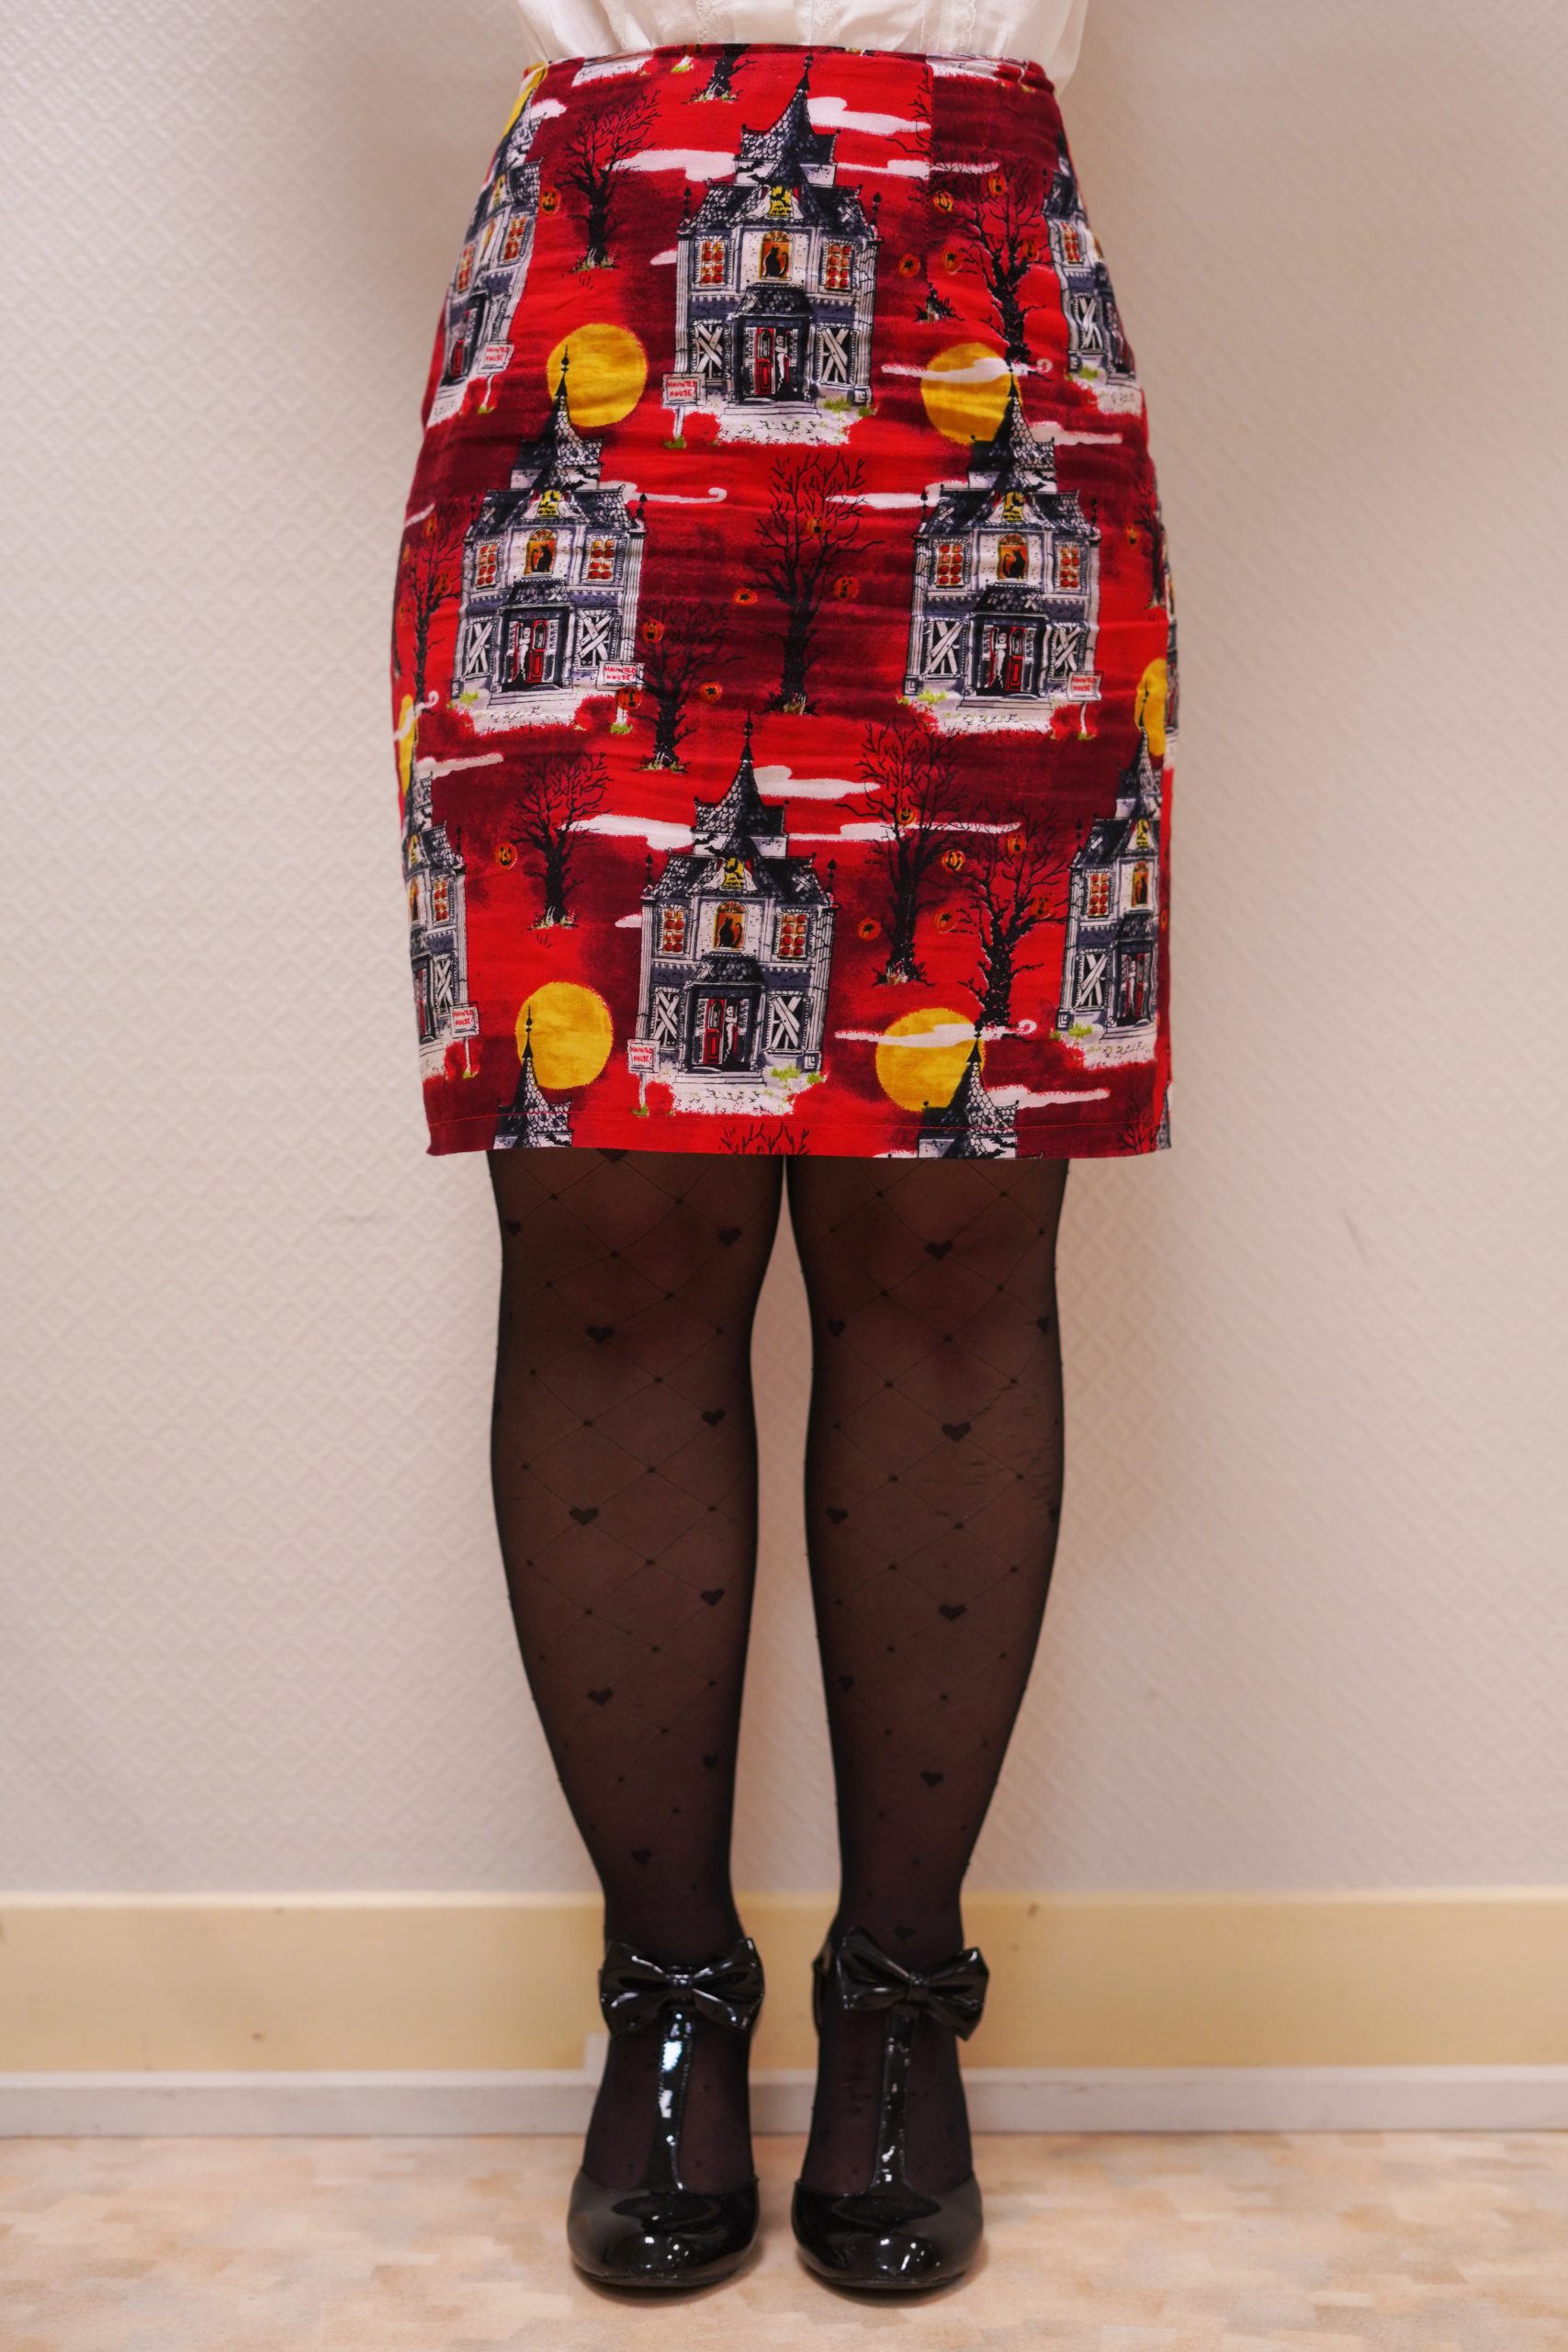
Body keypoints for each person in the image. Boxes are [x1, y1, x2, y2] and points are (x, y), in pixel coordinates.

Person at [389, 0, 1174, 2295]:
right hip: (584, 325)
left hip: (981, 322)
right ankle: (666, 1995)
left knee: (947, 1231)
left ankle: (900, 1998)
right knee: (611, 1233)